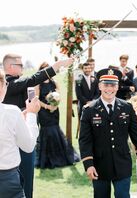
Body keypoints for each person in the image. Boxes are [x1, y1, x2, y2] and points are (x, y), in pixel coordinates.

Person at [2, 53, 73, 198]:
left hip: (13, 138)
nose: (23, 68)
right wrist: (58, 65)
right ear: (10, 66)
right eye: (20, 65)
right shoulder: (11, 84)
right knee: (26, 181)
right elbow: (34, 79)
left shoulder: (12, 84)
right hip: (19, 143)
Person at [79, 68, 137, 198]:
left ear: (118, 87)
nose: (109, 88)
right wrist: (88, 164)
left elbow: (136, 134)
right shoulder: (89, 110)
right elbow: (84, 140)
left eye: (113, 85)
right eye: (106, 85)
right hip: (100, 165)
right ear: (99, 86)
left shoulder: (127, 107)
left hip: (122, 162)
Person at [0, 69, 40, 198]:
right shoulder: (11, 112)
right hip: (6, 179)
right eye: (6, 84)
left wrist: (20, 118)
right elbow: (28, 146)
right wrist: (32, 114)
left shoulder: (12, 114)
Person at [35, 62, 80, 169]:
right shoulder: (38, 84)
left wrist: (55, 104)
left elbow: (58, 95)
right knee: (47, 131)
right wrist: (47, 106)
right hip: (43, 111)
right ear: (41, 70)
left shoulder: (54, 82)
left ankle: (60, 156)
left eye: (48, 69)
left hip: (55, 111)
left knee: (55, 129)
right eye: (44, 69)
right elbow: (36, 100)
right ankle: (46, 159)